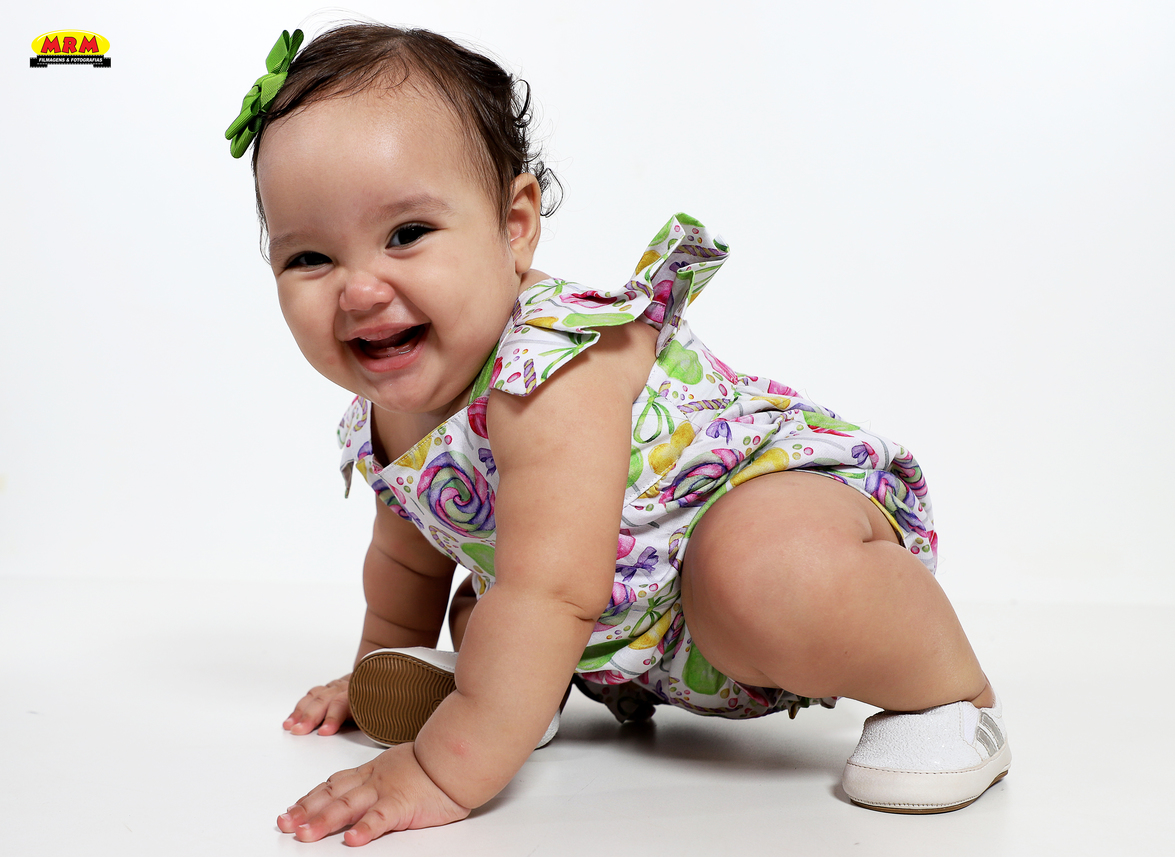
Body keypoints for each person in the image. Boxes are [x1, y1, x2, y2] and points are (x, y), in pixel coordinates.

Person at [225, 23, 1011, 846]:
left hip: (756, 527)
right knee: (489, 606)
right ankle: (507, 692)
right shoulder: (390, 405)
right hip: (627, 636)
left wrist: (439, 769)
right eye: (309, 258)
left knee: (759, 569)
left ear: (515, 224)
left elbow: (552, 590)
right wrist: (371, 669)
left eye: (407, 234)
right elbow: (406, 562)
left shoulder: (552, 369)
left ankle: (950, 698)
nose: (358, 291)